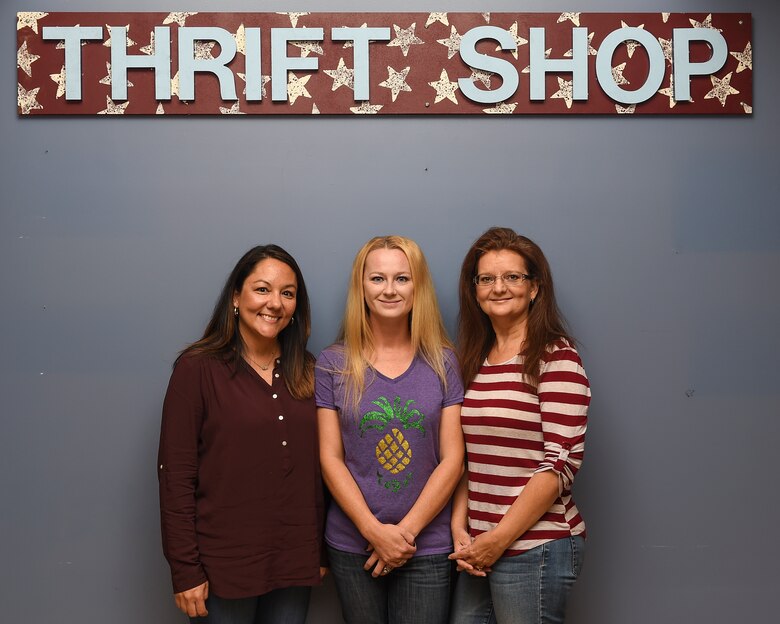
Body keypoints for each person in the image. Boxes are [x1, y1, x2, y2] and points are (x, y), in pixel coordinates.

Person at [158, 244, 324, 623]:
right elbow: (176, 477)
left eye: (288, 293)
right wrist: (185, 570)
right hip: (222, 568)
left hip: (294, 561)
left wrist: (319, 553)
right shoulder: (197, 369)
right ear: (236, 296)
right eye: (262, 289)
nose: (275, 303)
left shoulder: (310, 370)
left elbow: (318, 472)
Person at [316, 236, 465, 624]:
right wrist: (373, 530)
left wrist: (404, 535)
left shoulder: (443, 362)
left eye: (402, 278)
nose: (389, 289)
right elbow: (330, 457)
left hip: (427, 544)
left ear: (419, 287)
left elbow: (453, 459)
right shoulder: (333, 364)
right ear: (361, 287)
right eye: (377, 279)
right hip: (353, 543)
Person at [449, 227, 590, 624]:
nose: (499, 288)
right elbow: (469, 458)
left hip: (536, 545)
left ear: (534, 289)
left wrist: (497, 540)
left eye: (513, 277)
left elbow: (558, 467)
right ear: (474, 290)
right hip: (477, 548)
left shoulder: (556, 356)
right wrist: (461, 528)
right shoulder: (475, 360)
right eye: (487, 278)